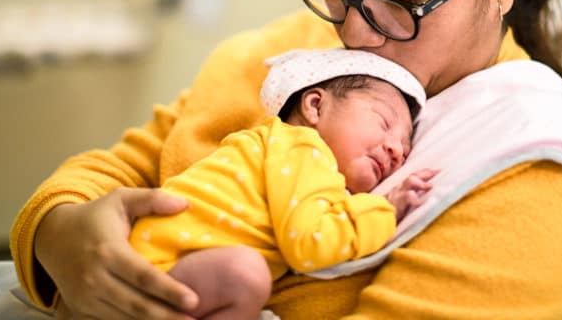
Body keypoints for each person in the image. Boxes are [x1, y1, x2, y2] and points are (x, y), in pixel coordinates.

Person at [10, 0, 562, 319]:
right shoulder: (294, 55)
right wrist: (61, 237)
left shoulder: (530, 175)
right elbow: (122, 168)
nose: (355, 32)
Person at [126, 49, 435, 320]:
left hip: (160, 270)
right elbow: (312, 242)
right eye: (383, 123)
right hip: (157, 271)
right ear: (315, 106)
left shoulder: (277, 150)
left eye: (405, 147)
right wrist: (386, 209)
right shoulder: (302, 148)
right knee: (245, 274)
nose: (396, 149)